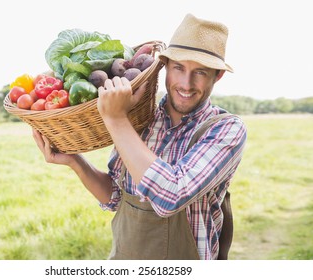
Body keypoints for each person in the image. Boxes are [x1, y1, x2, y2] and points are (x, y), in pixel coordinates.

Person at [32, 13, 247, 260]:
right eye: (178, 68)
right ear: (164, 66)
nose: (186, 84)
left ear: (217, 76)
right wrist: (74, 160)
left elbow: (171, 196)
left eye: (200, 72)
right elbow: (115, 197)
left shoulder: (225, 129)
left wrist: (116, 119)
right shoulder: (140, 120)